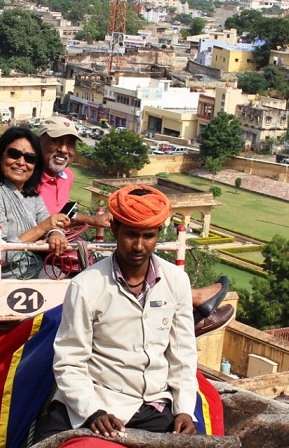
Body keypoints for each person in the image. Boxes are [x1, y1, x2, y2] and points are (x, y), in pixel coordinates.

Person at [36, 115, 233, 335]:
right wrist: (90, 220)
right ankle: (193, 304)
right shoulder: (30, 175)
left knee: (140, 258)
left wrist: (86, 221)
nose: (64, 149)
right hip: (46, 252)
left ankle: (189, 310)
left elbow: (61, 212)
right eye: (57, 141)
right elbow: (42, 218)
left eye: (70, 144)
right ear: (40, 141)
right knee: (124, 264)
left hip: (64, 245)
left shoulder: (66, 176)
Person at [38, 185, 197, 441]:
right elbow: (70, 360)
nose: (139, 246)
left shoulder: (176, 281)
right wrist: (93, 412)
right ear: (114, 230)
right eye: (131, 235)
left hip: (152, 407)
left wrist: (184, 410)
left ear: (158, 234)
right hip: (97, 401)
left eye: (148, 236)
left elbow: (183, 354)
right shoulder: (87, 285)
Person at [0, 127, 70, 278]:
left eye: (30, 158)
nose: (21, 162)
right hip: (7, 286)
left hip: (38, 275)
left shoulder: (32, 197)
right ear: (0, 156)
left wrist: (55, 233)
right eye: (14, 154)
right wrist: (42, 228)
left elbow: (50, 224)